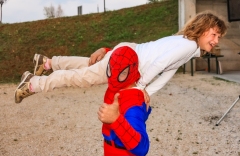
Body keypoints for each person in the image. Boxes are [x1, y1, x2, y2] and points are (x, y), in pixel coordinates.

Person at [15, 11, 228, 104]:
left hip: (127, 52)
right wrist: (140, 86)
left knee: (87, 65)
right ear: (201, 30)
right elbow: (161, 64)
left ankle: (48, 62)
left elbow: (169, 69)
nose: (216, 40)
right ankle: (34, 83)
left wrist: (147, 91)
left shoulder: (186, 43)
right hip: (127, 62)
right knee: (82, 77)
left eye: (218, 37)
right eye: (214, 34)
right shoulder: (189, 45)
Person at [98, 46, 151, 156]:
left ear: (130, 71)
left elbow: (142, 147)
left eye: (121, 73)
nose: (113, 76)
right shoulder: (120, 90)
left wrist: (116, 120)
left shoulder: (133, 104)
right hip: (111, 151)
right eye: (111, 69)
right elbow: (122, 58)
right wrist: (105, 51)